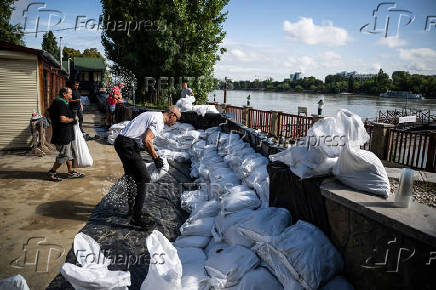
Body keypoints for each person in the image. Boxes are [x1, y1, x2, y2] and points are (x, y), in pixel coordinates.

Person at [114, 105, 181, 227]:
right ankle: (136, 217)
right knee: (144, 178)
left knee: (131, 177)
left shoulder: (153, 114)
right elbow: (147, 140)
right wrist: (156, 158)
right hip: (128, 145)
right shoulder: (159, 121)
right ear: (172, 114)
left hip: (122, 142)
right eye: (177, 119)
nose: (175, 122)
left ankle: (132, 210)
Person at [48, 87, 85, 181]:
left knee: (69, 153)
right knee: (64, 154)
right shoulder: (60, 103)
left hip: (64, 133)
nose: (71, 96)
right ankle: (52, 172)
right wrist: (73, 119)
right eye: (70, 94)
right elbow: (62, 119)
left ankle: (71, 171)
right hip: (62, 134)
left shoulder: (60, 102)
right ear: (64, 94)